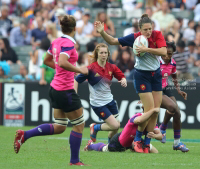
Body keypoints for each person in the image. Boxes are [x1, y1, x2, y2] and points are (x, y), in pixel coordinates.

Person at [14, 15, 88, 166]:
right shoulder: (68, 44)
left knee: (60, 126)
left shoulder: (56, 42)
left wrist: (66, 70)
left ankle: (25, 135)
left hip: (55, 88)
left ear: (61, 28)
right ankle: (74, 161)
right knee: (79, 125)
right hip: (65, 90)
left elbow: (46, 61)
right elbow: (62, 61)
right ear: (75, 29)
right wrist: (78, 70)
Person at [94, 13, 167, 153]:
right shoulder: (135, 38)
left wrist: (146, 50)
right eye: (145, 29)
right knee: (150, 109)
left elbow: (164, 51)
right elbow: (113, 41)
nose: (148, 32)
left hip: (156, 75)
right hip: (142, 76)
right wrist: (102, 32)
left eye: (150, 29)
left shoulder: (157, 35)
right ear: (140, 29)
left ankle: (147, 142)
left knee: (156, 111)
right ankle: (138, 140)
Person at [75, 43, 127, 143]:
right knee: (114, 125)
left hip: (110, 101)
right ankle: (95, 127)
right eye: (101, 53)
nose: (103, 55)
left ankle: (110, 145)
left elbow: (122, 76)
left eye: (105, 53)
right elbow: (76, 80)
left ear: (108, 54)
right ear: (97, 54)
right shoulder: (91, 69)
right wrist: (75, 95)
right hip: (98, 104)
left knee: (117, 126)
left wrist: (124, 80)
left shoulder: (111, 67)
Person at [84, 108, 161, 153]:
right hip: (119, 142)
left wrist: (155, 135)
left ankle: (133, 147)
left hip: (134, 142)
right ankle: (91, 145)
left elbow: (161, 137)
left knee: (155, 152)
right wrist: (153, 110)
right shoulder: (137, 116)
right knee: (105, 149)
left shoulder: (152, 123)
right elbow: (139, 121)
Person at [159, 41, 189, 152]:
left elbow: (174, 76)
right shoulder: (156, 62)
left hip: (165, 88)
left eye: (170, 54)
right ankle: (162, 129)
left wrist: (179, 90)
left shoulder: (173, 63)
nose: (167, 56)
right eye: (165, 53)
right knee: (172, 107)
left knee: (178, 113)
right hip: (155, 90)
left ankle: (177, 143)